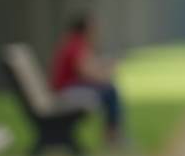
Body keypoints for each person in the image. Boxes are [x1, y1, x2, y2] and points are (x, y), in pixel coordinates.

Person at [49, 12, 130, 148]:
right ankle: (113, 137)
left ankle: (113, 136)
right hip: (65, 93)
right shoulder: (76, 45)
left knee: (109, 91)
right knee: (110, 92)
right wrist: (108, 68)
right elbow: (90, 75)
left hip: (68, 90)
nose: (98, 31)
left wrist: (103, 69)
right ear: (85, 29)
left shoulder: (74, 43)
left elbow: (89, 73)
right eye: (95, 27)